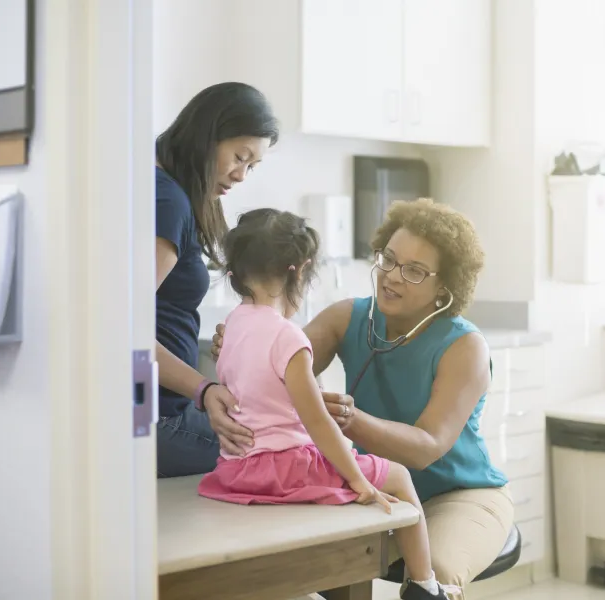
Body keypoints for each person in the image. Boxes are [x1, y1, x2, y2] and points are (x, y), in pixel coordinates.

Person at [210, 199, 514, 598]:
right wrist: (239, 352)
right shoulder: (349, 317)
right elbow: (279, 363)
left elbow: (427, 448)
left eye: (415, 271)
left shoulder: (464, 347)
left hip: (458, 494)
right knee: (334, 562)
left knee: (434, 571)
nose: (392, 277)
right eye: (388, 259)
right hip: (373, 484)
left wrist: (352, 421)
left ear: (446, 287)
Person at [154, 82, 280, 478]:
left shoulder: (160, 187)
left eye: (251, 166)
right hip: (157, 419)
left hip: (157, 410)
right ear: (208, 134)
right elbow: (123, 329)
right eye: (239, 157)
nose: (241, 175)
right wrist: (204, 390)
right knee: (293, 448)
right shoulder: (168, 201)